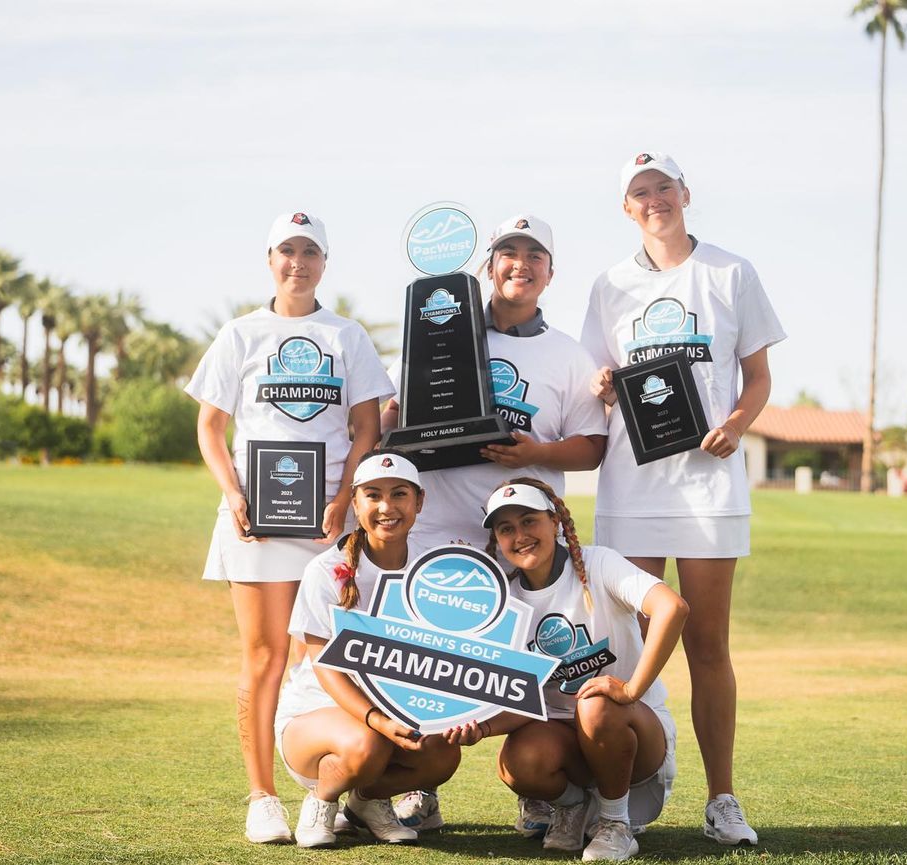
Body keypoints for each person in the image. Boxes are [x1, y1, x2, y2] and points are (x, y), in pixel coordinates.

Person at [580, 152, 786, 846]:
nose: (653, 199)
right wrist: (605, 387)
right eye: (639, 192)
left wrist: (735, 423)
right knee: (623, 643)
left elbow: (757, 376)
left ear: (685, 193)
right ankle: (611, 799)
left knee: (705, 643)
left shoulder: (730, 271)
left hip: (708, 488)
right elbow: (595, 378)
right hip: (632, 485)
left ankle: (722, 799)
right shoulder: (609, 285)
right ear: (626, 209)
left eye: (662, 187)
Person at [381, 214, 608, 833]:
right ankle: (420, 785)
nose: (521, 264)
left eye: (535, 256)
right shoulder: (436, 335)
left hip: (520, 540)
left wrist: (536, 453)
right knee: (425, 660)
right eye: (509, 253)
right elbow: (393, 424)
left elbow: (591, 446)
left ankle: (536, 789)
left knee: (522, 664)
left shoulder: (567, 352)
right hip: (435, 528)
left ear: (550, 273)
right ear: (488, 266)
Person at [185, 211, 394, 843]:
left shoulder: (345, 335)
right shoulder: (240, 334)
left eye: (310, 251)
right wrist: (235, 495)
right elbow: (210, 428)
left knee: (337, 657)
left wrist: (342, 498)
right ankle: (262, 797)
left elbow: (366, 430)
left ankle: (351, 792)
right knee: (265, 657)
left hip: (329, 525)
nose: (297, 262)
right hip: (255, 523)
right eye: (286, 250)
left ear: (325, 263)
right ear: (269, 259)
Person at [446, 478, 688, 862]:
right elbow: (519, 695)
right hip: (566, 742)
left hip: (634, 740)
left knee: (596, 702)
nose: (520, 536)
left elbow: (672, 608)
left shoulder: (599, 562)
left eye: (529, 521)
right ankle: (573, 807)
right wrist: (482, 727)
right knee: (517, 764)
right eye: (506, 529)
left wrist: (631, 690)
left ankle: (615, 824)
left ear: (555, 521)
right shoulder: (500, 598)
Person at [274, 450, 463, 848]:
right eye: (373, 495)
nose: (387, 507)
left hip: (391, 719)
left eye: (399, 494)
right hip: (318, 721)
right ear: (355, 502)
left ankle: (367, 800)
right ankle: (322, 799)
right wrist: (376, 719)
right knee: (368, 743)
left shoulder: (435, 569)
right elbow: (324, 667)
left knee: (443, 754)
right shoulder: (325, 569)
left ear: (419, 501)